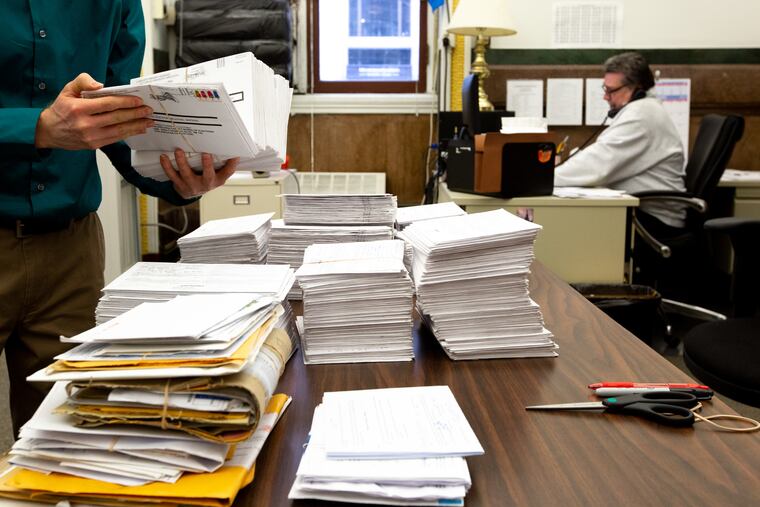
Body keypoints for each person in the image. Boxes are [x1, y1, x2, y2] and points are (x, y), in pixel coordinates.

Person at [0, 1, 238, 434]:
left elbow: (119, 123)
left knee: (69, 432)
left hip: (71, 255)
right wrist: (34, 127)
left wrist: (177, 181)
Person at [554, 52, 686, 233]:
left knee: (569, 228)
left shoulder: (641, 116)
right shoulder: (643, 109)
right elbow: (603, 155)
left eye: (611, 91)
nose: (605, 97)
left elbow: (597, 165)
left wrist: (541, 179)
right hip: (643, 211)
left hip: (654, 221)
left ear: (637, 88)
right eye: (604, 89)